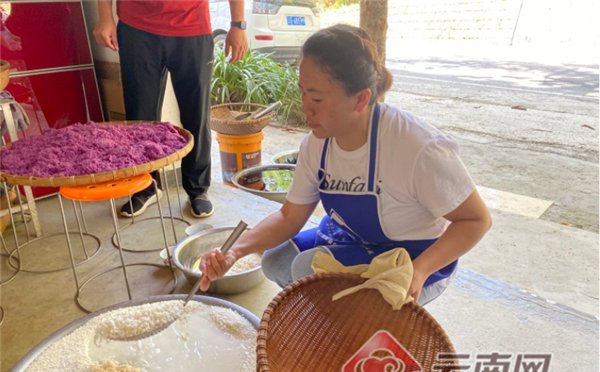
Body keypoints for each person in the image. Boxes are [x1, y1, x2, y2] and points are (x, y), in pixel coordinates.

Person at [198, 24, 492, 305]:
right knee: (276, 261)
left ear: (361, 99)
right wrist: (235, 251)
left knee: (305, 269)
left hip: (413, 254)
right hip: (352, 237)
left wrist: (420, 270)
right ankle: (340, 312)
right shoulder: (317, 144)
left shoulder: (417, 148)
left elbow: (476, 220)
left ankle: (355, 318)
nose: (305, 106)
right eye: (302, 92)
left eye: (316, 97)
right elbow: (290, 217)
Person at [93, 0, 248, 218]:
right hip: (136, 27)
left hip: (192, 26)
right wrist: (105, 16)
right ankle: (145, 187)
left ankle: (198, 190)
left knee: (197, 116)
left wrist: (238, 24)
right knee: (140, 118)